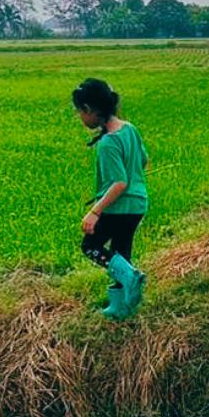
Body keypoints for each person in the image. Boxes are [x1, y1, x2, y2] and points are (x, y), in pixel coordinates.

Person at [72, 78, 149, 319]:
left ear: (89, 110)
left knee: (91, 246)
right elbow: (143, 160)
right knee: (120, 253)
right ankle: (121, 307)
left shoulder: (107, 143)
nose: (80, 117)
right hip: (137, 204)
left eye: (79, 112)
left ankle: (130, 278)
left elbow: (119, 183)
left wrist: (95, 211)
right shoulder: (129, 129)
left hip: (119, 207)